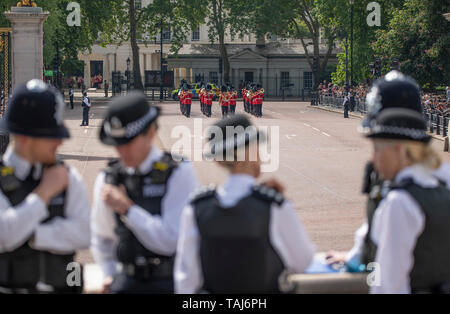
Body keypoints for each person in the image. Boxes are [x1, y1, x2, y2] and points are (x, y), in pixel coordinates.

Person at [327, 71, 450, 294]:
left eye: (376, 148)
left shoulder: (400, 201)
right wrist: (354, 255)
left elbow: (388, 285)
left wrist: (355, 258)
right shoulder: (444, 179)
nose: (372, 158)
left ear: (398, 150)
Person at [175, 114, 315, 293]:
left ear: (218, 160)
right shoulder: (274, 205)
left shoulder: (196, 208)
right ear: (250, 153)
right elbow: (303, 261)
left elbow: (187, 280)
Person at [91, 92, 199, 294]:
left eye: (128, 143)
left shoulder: (177, 172)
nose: (122, 152)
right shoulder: (108, 178)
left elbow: (171, 240)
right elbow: (101, 237)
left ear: (150, 133)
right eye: (117, 145)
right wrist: (109, 272)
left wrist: (127, 209)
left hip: (169, 283)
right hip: (125, 283)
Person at [0, 79, 90, 294]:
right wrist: (44, 193)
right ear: (24, 138)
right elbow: (3, 234)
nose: (59, 143)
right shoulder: (58, 181)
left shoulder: (68, 177)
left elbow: (84, 234)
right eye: (50, 136)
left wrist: (30, 236)